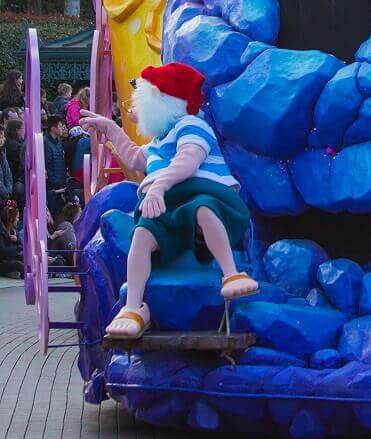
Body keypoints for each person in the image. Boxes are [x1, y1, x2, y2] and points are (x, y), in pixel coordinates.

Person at [81, 62, 258, 339]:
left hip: (204, 195)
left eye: (141, 101)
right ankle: (133, 308)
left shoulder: (191, 124)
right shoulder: (158, 140)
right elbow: (136, 157)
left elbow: (188, 160)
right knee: (141, 235)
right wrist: (110, 129)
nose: (134, 108)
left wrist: (158, 186)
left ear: (161, 102)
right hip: (167, 208)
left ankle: (231, 274)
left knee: (203, 209)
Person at [43, 116, 68, 216]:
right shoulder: (45, 142)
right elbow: (45, 164)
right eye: (60, 126)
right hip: (52, 186)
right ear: (53, 128)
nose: (63, 128)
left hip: (61, 182)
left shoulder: (59, 142)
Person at [0, 202, 23, 279]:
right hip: (2, 262)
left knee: (23, 257)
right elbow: (3, 252)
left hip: (9, 259)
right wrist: (19, 248)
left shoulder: (13, 230)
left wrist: (16, 241)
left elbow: (20, 246)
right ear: (11, 218)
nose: (18, 220)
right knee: (18, 264)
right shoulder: (1, 231)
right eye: (17, 217)